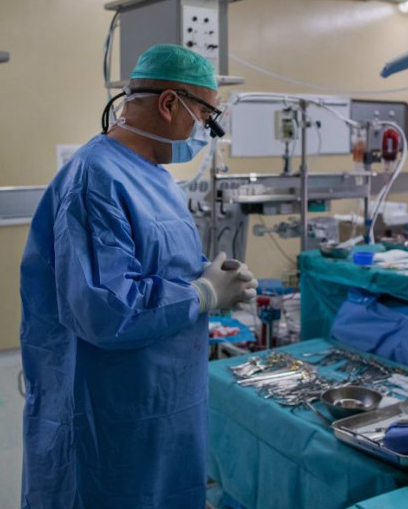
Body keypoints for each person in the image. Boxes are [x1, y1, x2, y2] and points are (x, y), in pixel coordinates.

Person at [19, 44, 258, 508]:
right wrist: (204, 293)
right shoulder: (97, 177)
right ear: (170, 104)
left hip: (160, 398)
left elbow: (156, 265)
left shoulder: (150, 174)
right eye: (205, 118)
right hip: (111, 408)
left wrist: (211, 277)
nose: (204, 133)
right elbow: (105, 309)